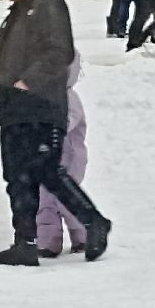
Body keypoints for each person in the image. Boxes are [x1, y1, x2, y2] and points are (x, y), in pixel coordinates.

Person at [0, 0, 111, 266]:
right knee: (18, 177)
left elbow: (59, 51)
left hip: (40, 105)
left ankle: (93, 221)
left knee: (46, 171)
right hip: (16, 107)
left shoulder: (47, 4)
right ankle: (25, 243)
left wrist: (28, 81)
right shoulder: (21, 10)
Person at [38, 51, 89, 258]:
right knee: (44, 199)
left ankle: (83, 235)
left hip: (70, 159)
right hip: (48, 158)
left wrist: (50, 128)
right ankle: (48, 241)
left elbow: (66, 123)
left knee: (66, 199)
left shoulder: (69, 98)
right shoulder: (43, 97)